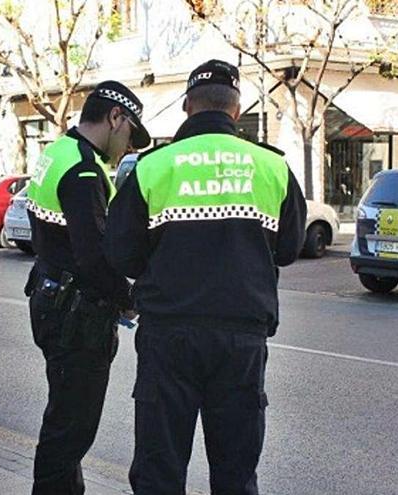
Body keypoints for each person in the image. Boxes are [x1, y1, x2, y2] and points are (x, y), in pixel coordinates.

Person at [104, 60, 306, 494]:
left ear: (187, 108)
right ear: (236, 111)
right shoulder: (271, 167)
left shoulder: (154, 167)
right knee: (235, 471)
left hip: (168, 337)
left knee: (160, 468)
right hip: (241, 339)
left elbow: (122, 255)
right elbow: (289, 251)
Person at [24, 80, 149, 495]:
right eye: (131, 133)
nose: (129, 145)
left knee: (63, 420)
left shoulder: (57, 152)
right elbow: (93, 257)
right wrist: (130, 302)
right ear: (116, 117)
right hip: (75, 316)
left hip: (50, 297)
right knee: (70, 431)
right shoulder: (82, 170)